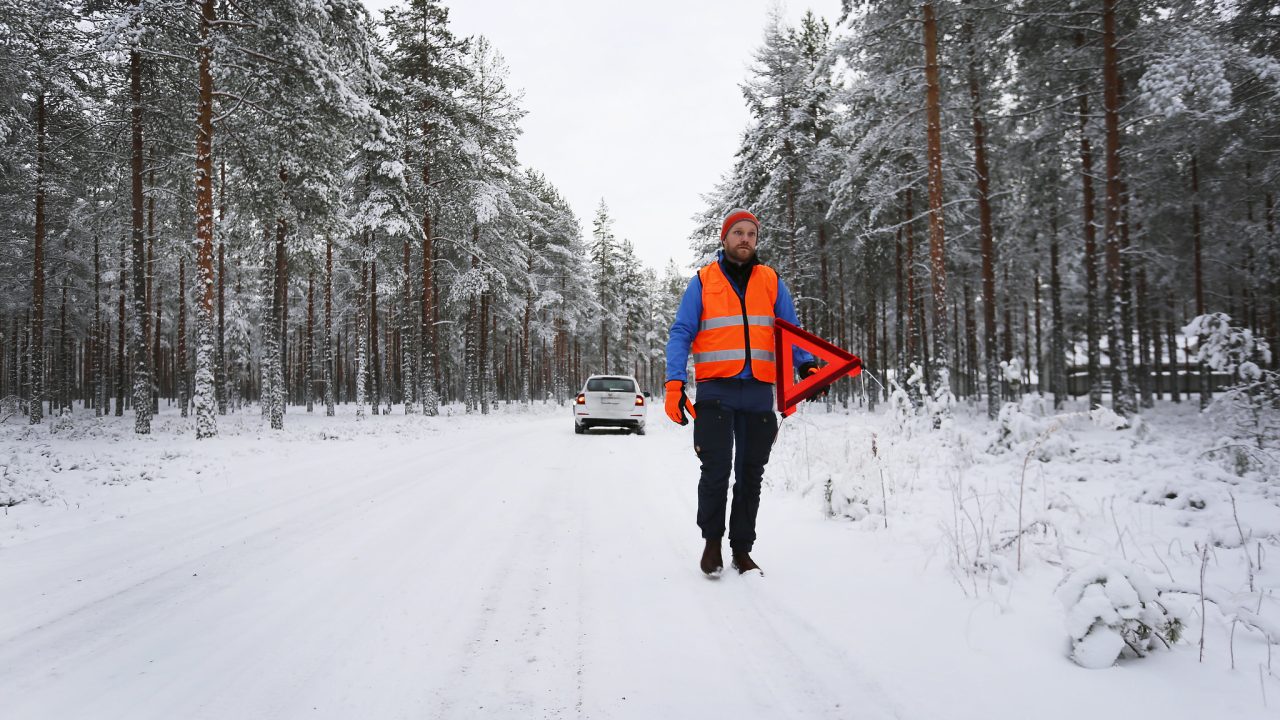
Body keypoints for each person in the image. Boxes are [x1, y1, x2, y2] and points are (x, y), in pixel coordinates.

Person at [664, 208, 820, 578]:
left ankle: (742, 550)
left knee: (751, 474)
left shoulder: (770, 280)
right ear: (725, 238)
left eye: (751, 233)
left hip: (758, 393)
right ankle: (712, 543)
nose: (745, 239)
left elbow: (790, 329)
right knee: (716, 470)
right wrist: (674, 384)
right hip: (716, 389)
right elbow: (681, 332)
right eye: (738, 232)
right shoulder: (703, 281)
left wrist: (807, 364)